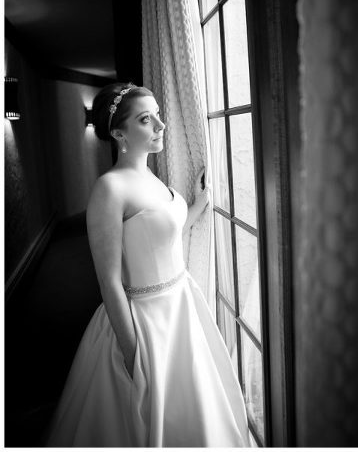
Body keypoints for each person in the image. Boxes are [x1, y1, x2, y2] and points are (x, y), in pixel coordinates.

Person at [46, 83, 250, 446]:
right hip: (145, 321)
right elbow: (108, 280)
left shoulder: (152, 177)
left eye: (157, 113)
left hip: (182, 307)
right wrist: (133, 354)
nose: (160, 124)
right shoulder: (110, 189)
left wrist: (198, 203)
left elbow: (161, 236)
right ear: (119, 133)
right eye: (145, 119)